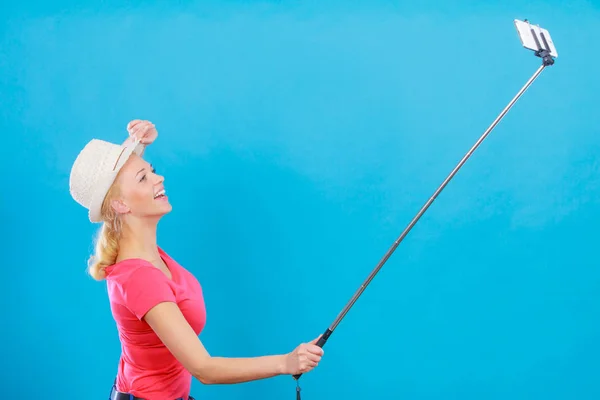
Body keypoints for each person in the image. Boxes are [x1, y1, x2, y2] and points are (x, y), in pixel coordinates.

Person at [69, 119, 324, 400]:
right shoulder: (140, 276)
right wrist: (286, 362)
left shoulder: (148, 257)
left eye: (152, 171)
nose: (159, 178)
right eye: (144, 178)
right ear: (120, 204)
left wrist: (136, 145)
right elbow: (204, 369)